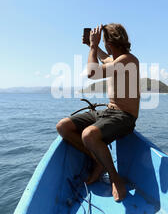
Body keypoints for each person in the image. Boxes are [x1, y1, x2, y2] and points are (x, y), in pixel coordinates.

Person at [56, 23, 140, 201]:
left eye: (104, 42)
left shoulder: (127, 60)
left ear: (109, 43)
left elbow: (92, 73)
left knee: (89, 135)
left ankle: (115, 179)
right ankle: (97, 159)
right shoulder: (117, 59)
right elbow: (105, 59)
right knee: (63, 126)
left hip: (124, 116)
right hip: (108, 112)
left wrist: (94, 46)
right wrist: (91, 45)